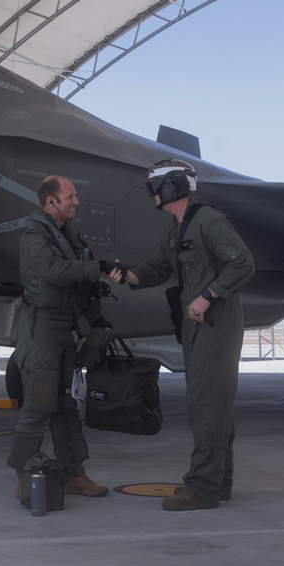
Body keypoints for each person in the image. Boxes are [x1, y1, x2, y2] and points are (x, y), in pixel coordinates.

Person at [108, 159, 254, 511]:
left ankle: (203, 487)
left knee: (206, 402)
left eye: (155, 186)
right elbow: (156, 269)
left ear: (172, 187)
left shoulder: (209, 222)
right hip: (196, 325)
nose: (152, 194)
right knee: (212, 404)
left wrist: (207, 296)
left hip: (216, 323)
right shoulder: (176, 230)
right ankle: (219, 483)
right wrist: (124, 275)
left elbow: (243, 263)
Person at [7, 175, 115, 503]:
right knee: (38, 405)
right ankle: (25, 476)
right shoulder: (34, 238)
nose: (76, 201)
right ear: (51, 201)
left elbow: (81, 285)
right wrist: (101, 267)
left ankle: (73, 474)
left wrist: (97, 319)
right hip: (41, 335)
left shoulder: (69, 237)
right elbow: (58, 271)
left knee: (66, 406)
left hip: (64, 332)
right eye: (70, 196)